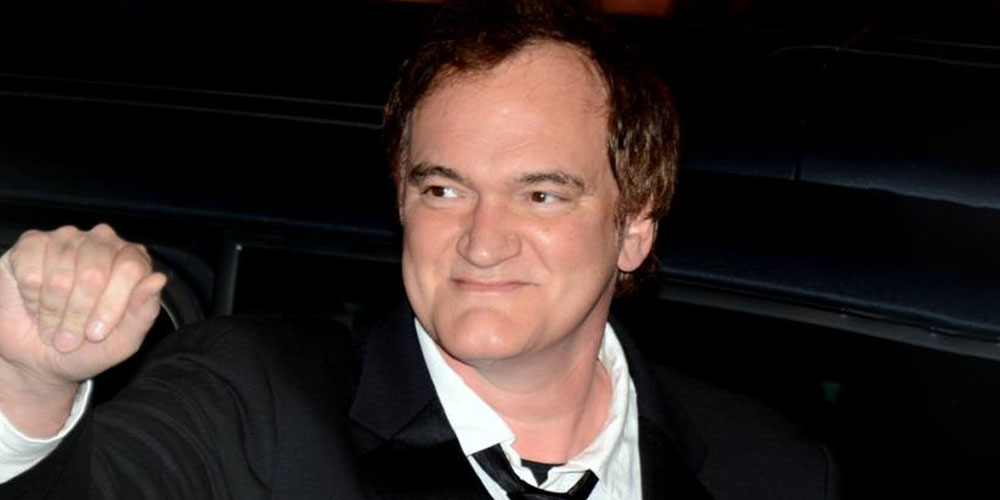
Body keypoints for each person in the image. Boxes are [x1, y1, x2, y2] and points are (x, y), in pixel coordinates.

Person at [0, 1, 838, 499]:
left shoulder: (768, 470)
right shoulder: (254, 400)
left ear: (634, 230)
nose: (481, 240)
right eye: (444, 189)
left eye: (541, 194)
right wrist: (27, 388)